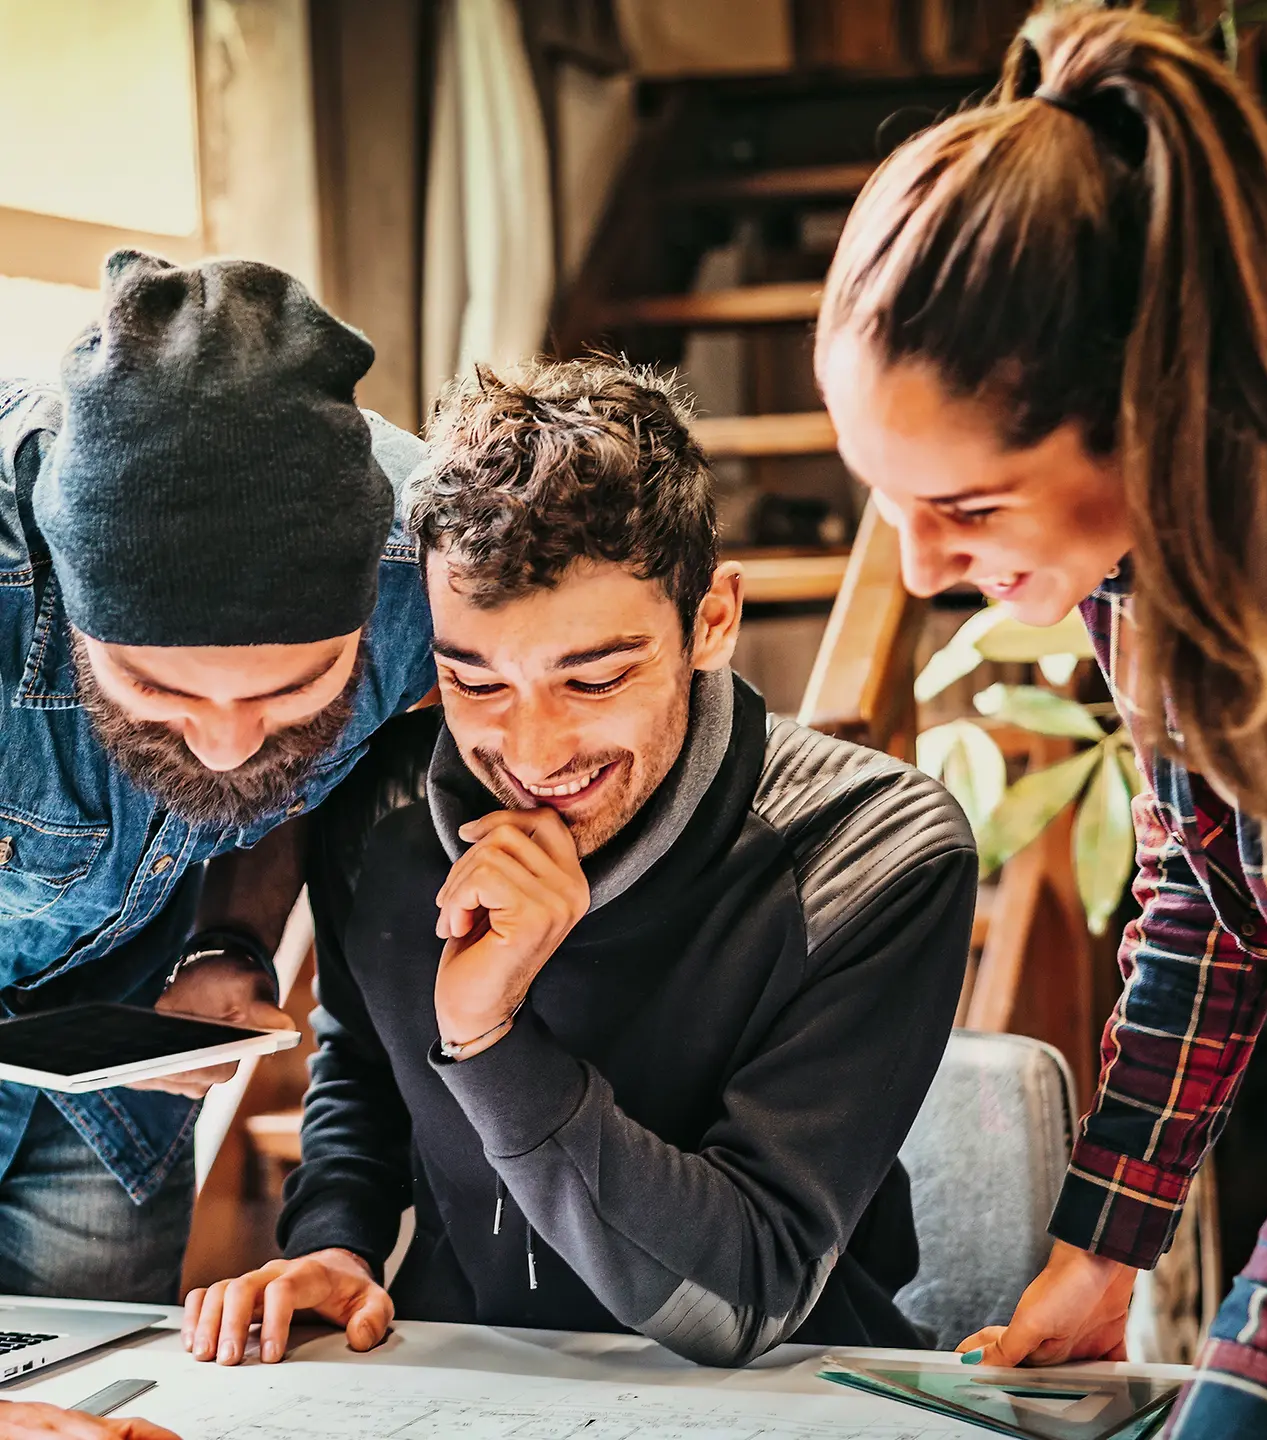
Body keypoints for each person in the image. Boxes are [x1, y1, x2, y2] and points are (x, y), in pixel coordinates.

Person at [812, 5, 1267, 1438]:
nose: (916, 570)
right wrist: (1106, 1252)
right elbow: (1203, 903)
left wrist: (1249, 1395)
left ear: (1154, 405)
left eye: (965, 506)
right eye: (887, 497)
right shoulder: (1139, 545)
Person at [181, 356, 977, 1369]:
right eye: (474, 683)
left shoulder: (875, 851)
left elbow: (741, 1297)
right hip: (462, 1375)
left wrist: (488, 1039)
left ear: (713, 619)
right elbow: (364, 1061)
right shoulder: (378, 797)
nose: (534, 752)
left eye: (594, 680)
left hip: (785, 1399)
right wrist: (335, 1241)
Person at [0, 247, 435, 1320]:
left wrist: (227, 946)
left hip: (113, 1082)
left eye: (295, 692)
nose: (232, 749)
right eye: (157, 691)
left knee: (85, 1379)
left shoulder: (435, 569)